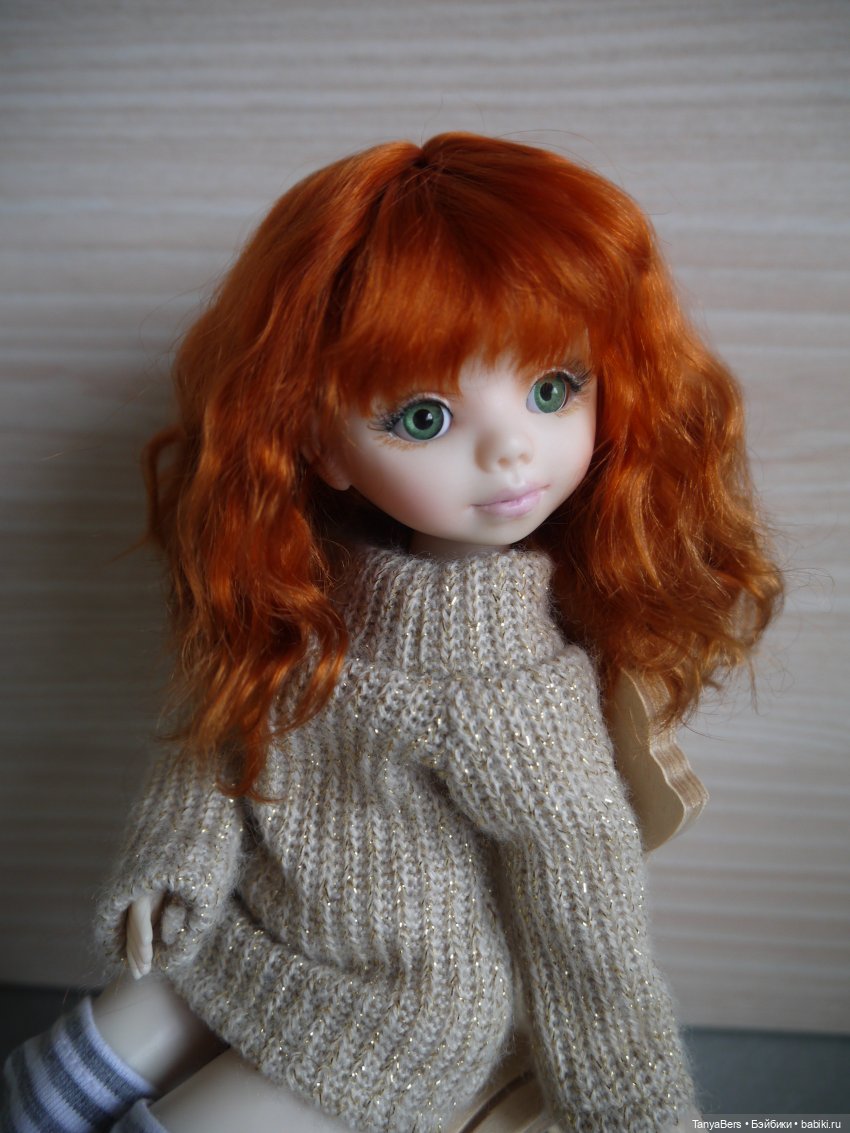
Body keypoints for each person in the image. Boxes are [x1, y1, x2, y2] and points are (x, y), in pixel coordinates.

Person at [2, 132, 782, 1133]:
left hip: (400, 1006)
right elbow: (220, 724)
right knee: (66, 1067)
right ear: (317, 441)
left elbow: (585, 925)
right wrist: (175, 850)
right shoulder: (307, 594)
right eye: (423, 416)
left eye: (553, 389)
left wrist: (633, 1110)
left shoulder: (514, 695)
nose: (512, 450)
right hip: (254, 924)